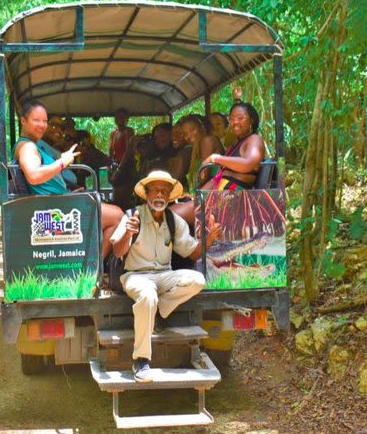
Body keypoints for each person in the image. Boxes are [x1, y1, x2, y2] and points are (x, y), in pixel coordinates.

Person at [110, 170, 223, 382]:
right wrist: (128, 233)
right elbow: (117, 251)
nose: (160, 195)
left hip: (164, 275)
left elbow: (193, 252)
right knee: (147, 295)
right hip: (136, 276)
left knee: (197, 280)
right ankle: (141, 359)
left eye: (164, 191)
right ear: (146, 194)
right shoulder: (132, 215)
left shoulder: (174, 221)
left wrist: (208, 239)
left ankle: (160, 310)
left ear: (170, 196)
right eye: (155, 190)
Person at [15, 100, 123, 258]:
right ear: (23, 121)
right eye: (36, 120)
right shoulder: (27, 147)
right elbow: (33, 176)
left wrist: (67, 192)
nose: (42, 125)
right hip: (52, 207)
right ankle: (93, 271)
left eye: (44, 121)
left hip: (60, 200)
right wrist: (62, 162)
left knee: (108, 207)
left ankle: (89, 263)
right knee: (118, 216)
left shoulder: (34, 144)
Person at [201, 101, 266, 190]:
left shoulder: (254, 139)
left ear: (251, 120)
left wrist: (215, 158)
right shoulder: (234, 145)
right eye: (231, 119)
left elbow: (248, 164)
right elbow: (218, 177)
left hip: (234, 198)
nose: (235, 122)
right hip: (217, 193)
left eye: (240, 118)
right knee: (180, 204)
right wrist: (197, 196)